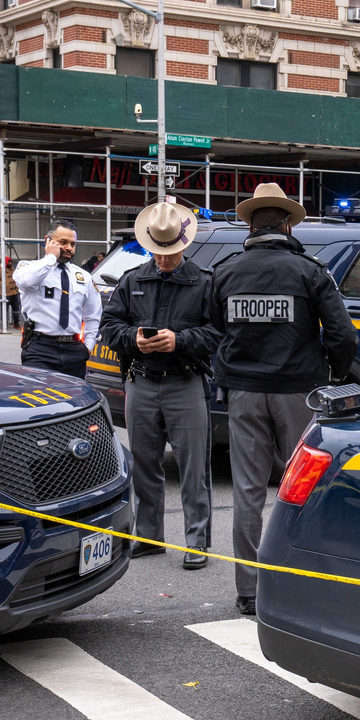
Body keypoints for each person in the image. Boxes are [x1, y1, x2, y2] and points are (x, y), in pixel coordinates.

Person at [209, 182, 359, 617]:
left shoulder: (226, 271)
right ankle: (298, 582)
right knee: (304, 489)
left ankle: (249, 591)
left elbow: (215, 330)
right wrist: (334, 373)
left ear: (251, 224)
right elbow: (343, 335)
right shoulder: (310, 272)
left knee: (248, 492)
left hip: (244, 394)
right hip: (298, 392)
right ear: (288, 223)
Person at [97, 201, 219, 571]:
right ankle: (150, 538)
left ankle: (198, 542)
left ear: (184, 244)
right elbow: (108, 326)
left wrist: (179, 340)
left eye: (170, 252)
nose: (164, 259)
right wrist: (133, 338)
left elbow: (218, 333)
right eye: (158, 252)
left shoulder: (204, 282)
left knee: (193, 467)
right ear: (149, 245)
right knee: (146, 466)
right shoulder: (132, 280)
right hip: (141, 382)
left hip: (186, 381)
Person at [14, 219, 103, 377]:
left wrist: (87, 348)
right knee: (40, 399)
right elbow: (24, 281)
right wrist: (50, 258)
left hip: (74, 349)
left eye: (73, 244)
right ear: (47, 241)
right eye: (63, 242)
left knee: (74, 400)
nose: (69, 247)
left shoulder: (83, 277)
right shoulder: (28, 267)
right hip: (40, 348)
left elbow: (93, 316)